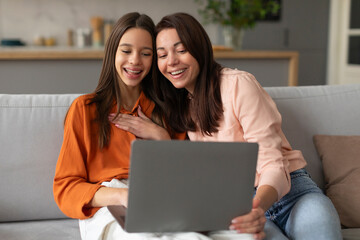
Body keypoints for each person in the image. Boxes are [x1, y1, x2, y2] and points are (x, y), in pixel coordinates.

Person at [152, 13, 342, 240]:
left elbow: (272, 163)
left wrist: (258, 208)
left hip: (291, 194)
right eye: (162, 55)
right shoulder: (178, 104)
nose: (171, 61)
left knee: (321, 231)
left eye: (181, 50)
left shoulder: (237, 85)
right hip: (238, 206)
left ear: (199, 48)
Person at [53, 12, 188, 240]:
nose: (135, 60)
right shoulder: (85, 109)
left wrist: (162, 137)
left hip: (161, 199)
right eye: (126, 51)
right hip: (107, 205)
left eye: (146, 53)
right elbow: (66, 188)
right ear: (112, 53)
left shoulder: (169, 110)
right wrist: (121, 195)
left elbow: (185, 179)